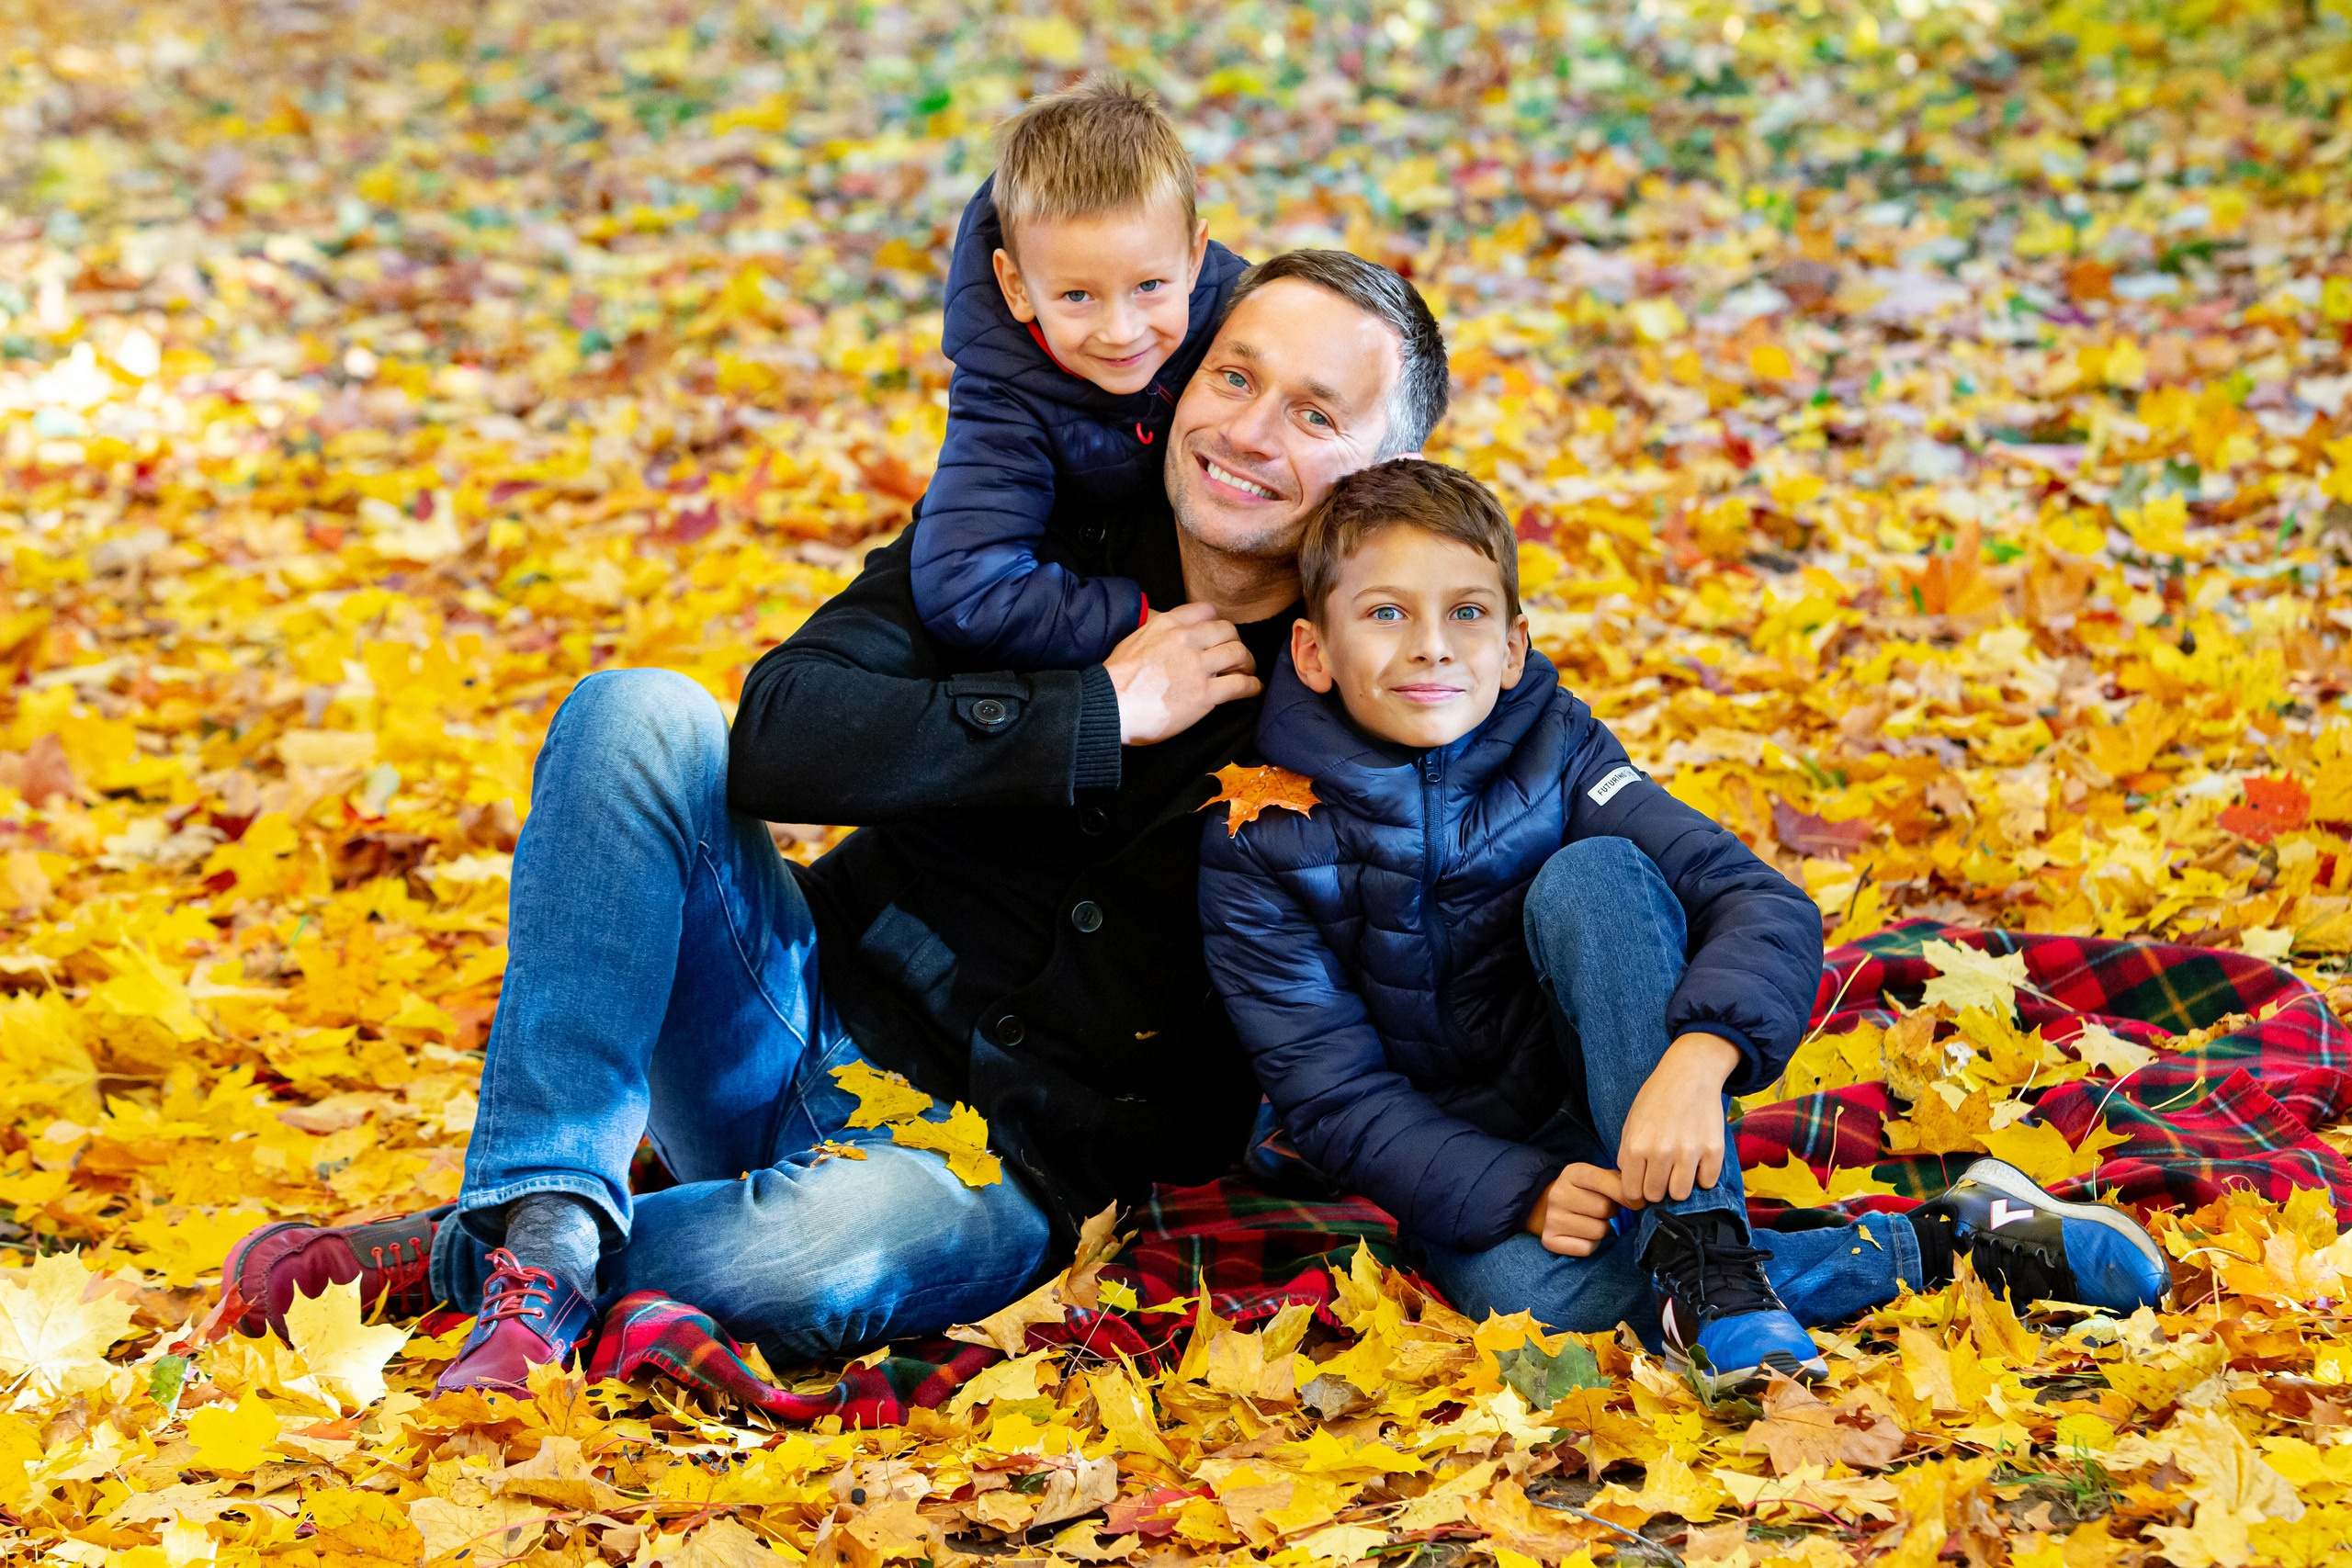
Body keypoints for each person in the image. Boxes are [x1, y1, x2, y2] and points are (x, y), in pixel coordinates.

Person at [219, 250, 1452, 1392]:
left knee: (824, 1252)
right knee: (638, 715)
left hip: (991, 1172)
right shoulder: (1018, 534)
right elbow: (781, 731)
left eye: (1312, 413)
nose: (1245, 429)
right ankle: (544, 1211)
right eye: (1233, 375)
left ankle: (497, 1252)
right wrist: (1088, 711)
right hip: (787, 1017)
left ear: (1384, 480)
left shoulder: (1381, 711)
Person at [1198, 459, 2170, 1396]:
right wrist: (1520, 1191)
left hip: (1632, 1087)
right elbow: (1330, 1093)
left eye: (1464, 613)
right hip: (1457, 1160)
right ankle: (1947, 1239)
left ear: (1512, 646)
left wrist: (1696, 1061)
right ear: (1313, 652)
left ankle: (1706, 1264)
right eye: (1384, 614)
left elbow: (1758, 901)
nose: (1430, 646)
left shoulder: (1560, 751)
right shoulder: (1259, 836)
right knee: (1534, 1302)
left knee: (1597, 875)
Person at [910, 74, 1248, 669]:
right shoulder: (1003, 390)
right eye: (1077, 297)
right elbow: (969, 587)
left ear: (1194, 259)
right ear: (1017, 287)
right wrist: (1140, 617)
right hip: (1133, 585)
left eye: (1149, 285)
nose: (1121, 331)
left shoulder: (1244, 313)